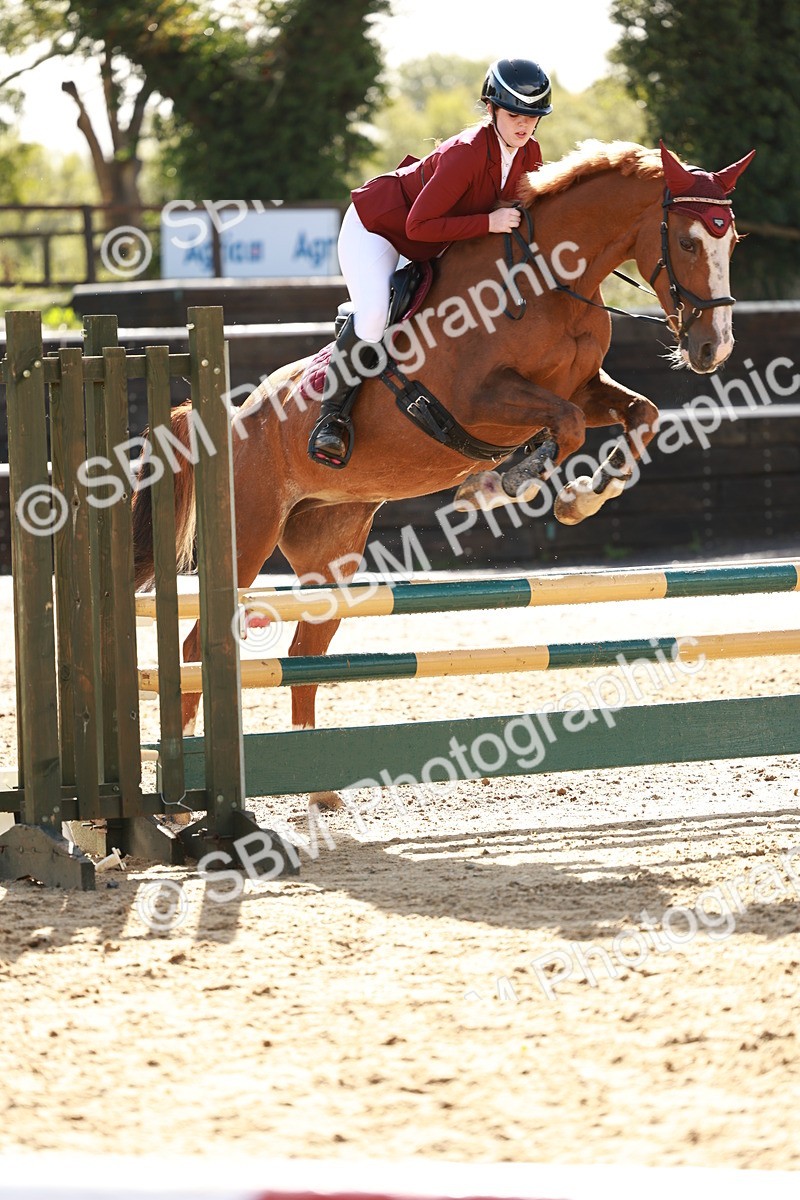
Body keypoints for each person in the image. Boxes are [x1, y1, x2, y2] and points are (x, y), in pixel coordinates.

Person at [308, 57, 553, 467]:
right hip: (380, 229)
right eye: (514, 114)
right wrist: (489, 221)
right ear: (491, 109)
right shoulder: (466, 153)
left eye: (533, 117)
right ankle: (332, 418)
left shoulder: (530, 153)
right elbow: (418, 225)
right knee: (372, 317)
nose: (524, 125)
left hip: (435, 239)